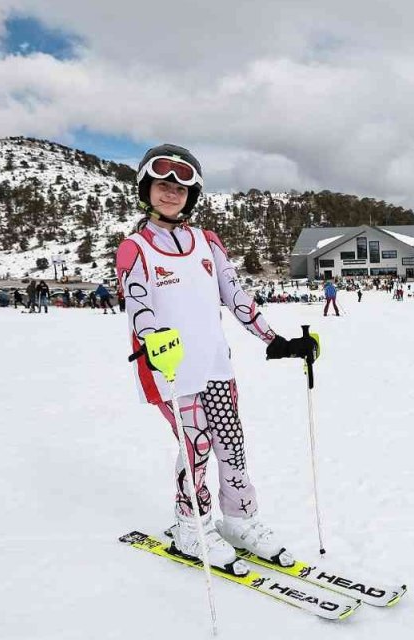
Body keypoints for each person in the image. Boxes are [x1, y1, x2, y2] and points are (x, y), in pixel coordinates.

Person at [116, 143, 318, 575]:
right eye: (162, 185)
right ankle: (191, 523)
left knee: (231, 444)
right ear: (146, 189)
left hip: (214, 367)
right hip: (168, 370)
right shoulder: (134, 248)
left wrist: (274, 339)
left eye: (180, 187)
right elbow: (139, 305)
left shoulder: (208, 242)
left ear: (193, 195)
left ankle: (240, 518)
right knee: (197, 444)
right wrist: (153, 342)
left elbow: (235, 295)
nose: (170, 193)